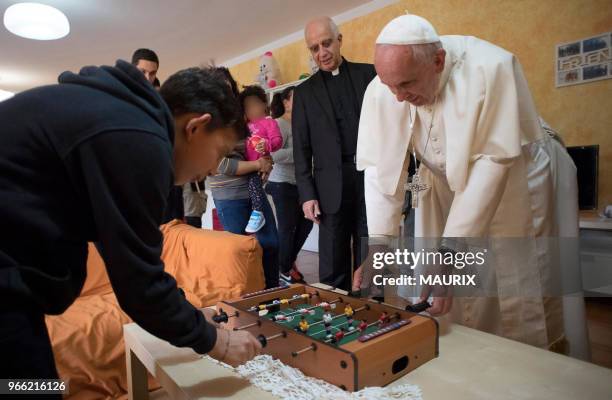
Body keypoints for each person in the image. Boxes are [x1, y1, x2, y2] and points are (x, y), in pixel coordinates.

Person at [0, 61, 262, 385]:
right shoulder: (138, 139)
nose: (212, 169)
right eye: (219, 152)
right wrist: (217, 342)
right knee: (29, 387)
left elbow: (133, 259)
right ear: (195, 127)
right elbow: (138, 284)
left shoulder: (120, 116)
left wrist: (194, 319)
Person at [353, 14, 579, 349]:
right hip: (446, 184)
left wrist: (449, 251)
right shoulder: (382, 90)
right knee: (458, 284)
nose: (397, 97)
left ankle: (526, 360)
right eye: (390, 86)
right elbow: (380, 170)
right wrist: (378, 245)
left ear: (438, 61)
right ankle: (472, 353)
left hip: (517, 175)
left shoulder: (491, 68)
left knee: (517, 278)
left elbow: (492, 162)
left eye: (407, 85)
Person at [292, 16, 376, 290]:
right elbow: (301, 149)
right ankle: (334, 317)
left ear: (339, 41)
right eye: (314, 48)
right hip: (329, 187)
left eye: (326, 43)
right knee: (331, 264)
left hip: (370, 181)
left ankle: (374, 317)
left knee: (371, 257)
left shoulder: (371, 75)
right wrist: (307, 195)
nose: (321, 52)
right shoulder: (304, 93)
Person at [208, 71, 279, 289]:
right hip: (229, 197)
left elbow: (255, 149)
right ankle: (247, 302)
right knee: (240, 252)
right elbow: (222, 165)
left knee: (270, 243)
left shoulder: (240, 120)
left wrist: (265, 160)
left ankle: (272, 297)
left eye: (229, 88)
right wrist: (258, 165)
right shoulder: (207, 122)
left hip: (252, 189)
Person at [266, 86, 312, 285]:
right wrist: (301, 153)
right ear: (285, 102)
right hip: (281, 183)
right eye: (296, 98)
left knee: (308, 222)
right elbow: (271, 155)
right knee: (287, 228)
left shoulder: (303, 124)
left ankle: (284, 264)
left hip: (302, 183)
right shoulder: (278, 124)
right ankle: (284, 270)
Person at [238, 85, 283, 233]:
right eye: (247, 107)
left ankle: (258, 212)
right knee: (251, 187)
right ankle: (255, 211)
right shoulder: (245, 126)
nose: (252, 109)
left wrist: (267, 146)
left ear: (264, 104)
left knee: (254, 184)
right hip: (247, 164)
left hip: (259, 164)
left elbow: (278, 141)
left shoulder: (269, 122)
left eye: (255, 104)